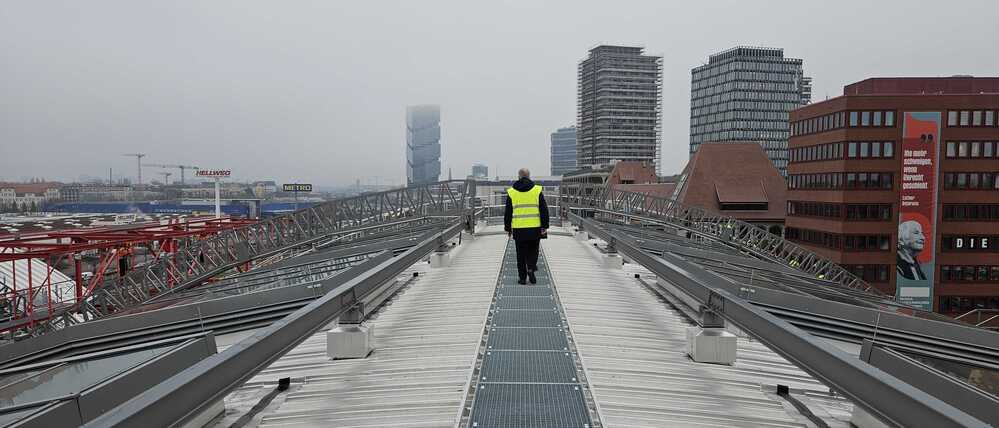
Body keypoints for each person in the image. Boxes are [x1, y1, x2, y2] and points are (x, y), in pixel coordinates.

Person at [504, 168, 549, 285]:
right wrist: (544, 225)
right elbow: (544, 209)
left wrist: (508, 228)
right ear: (529, 176)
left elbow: (508, 212)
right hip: (535, 228)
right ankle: (531, 267)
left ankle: (522, 278)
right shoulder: (537, 190)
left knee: (520, 254)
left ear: (518, 177)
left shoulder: (512, 192)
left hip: (519, 229)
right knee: (533, 251)